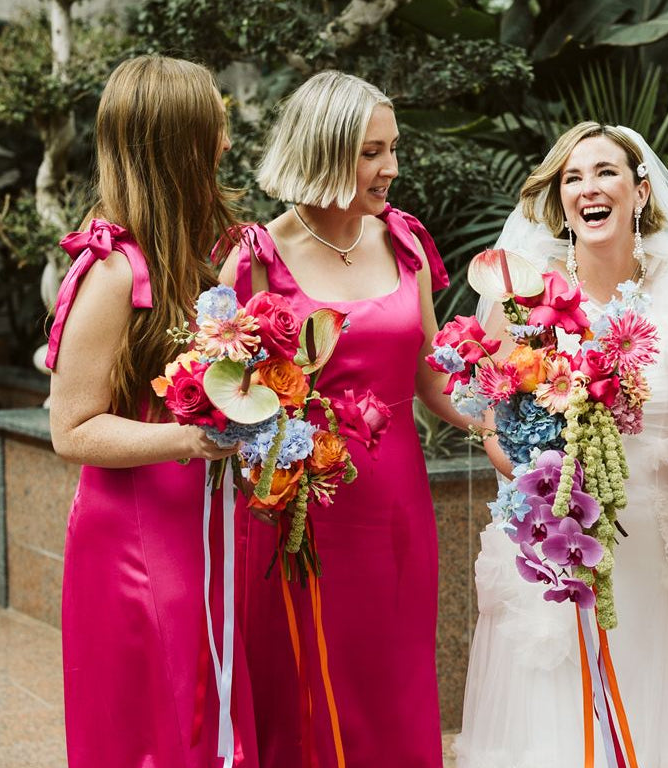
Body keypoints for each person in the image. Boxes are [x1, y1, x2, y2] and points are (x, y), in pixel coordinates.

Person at [453, 122, 668, 767]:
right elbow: (491, 421)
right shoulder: (522, 300)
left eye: (605, 172)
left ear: (640, 189)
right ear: (560, 200)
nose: (588, 189)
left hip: (661, 538)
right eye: (572, 178)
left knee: (663, 716)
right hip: (557, 540)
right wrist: (549, 484)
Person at [218, 70, 476, 768]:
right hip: (299, 502)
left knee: (391, 676)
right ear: (322, 149)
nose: (390, 167)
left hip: (395, 501)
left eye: (391, 149)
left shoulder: (406, 242)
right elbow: (228, 393)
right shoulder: (254, 258)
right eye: (370, 151)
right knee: (303, 686)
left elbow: (431, 373)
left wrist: (507, 413)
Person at [47, 55, 258, 767]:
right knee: (158, 727)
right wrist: (191, 440)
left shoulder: (204, 253)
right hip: (135, 541)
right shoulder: (112, 272)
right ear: (178, 145)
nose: (227, 146)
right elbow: (70, 427)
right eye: (214, 129)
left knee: (208, 711)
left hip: (203, 524)